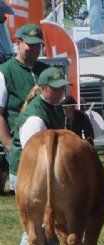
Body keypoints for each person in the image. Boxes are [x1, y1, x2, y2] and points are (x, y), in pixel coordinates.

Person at [13, 67, 68, 245]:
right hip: (32, 174)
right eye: (55, 89)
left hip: (48, 173)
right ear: (43, 89)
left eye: (62, 88)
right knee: (35, 225)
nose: (60, 92)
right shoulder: (35, 117)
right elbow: (32, 154)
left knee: (52, 222)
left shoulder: (56, 108)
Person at [0, 24, 48, 194]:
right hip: (19, 142)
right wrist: (8, 144)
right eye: (30, 45)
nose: (35, 49)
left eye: (38, 45)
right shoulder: (5, 71)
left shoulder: (46, 71)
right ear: (18, 43)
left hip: (46, 139)